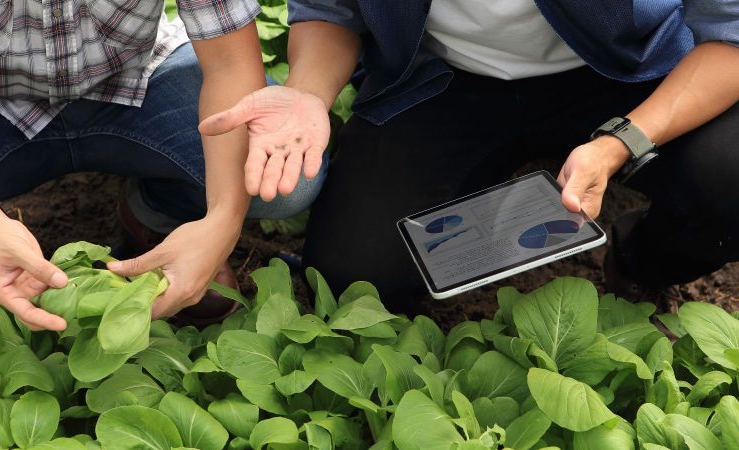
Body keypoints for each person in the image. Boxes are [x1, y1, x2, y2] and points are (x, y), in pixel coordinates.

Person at [201, 0, 739, 312]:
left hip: (621, 72)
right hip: (445, 80)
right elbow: (332, 10)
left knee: (727, 178)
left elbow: (730, 31)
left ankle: (640, 258)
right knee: (359, 274)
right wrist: (309, 93)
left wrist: (619, 142)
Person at [0, 0, 325, 330]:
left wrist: (222, 219)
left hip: (135, 79)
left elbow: (229, 63)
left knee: (281, 173)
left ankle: (160, 213)